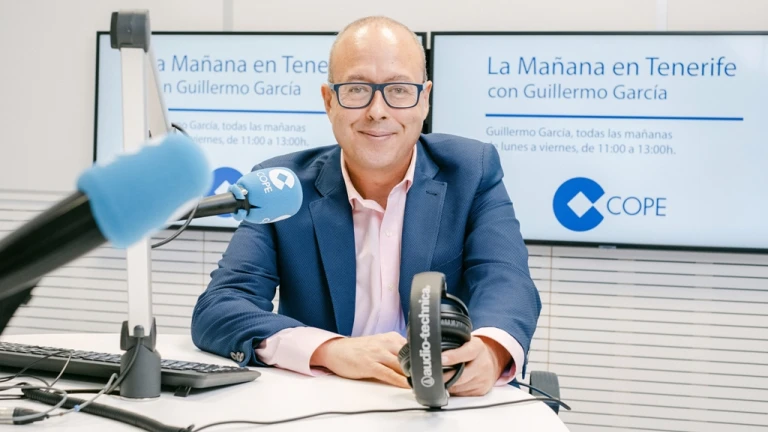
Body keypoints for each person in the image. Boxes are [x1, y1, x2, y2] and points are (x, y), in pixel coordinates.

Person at [191, 16, 541, 397]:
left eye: (399, 90)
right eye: (357, 90)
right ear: (328, 101)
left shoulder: (472, 172)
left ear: (424, 99)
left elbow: (508, 281)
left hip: (443, 403)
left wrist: (489, 351)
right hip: (322, 404)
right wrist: (330, 350)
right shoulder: (282, 186)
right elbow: (220, 307)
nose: (377, 110)